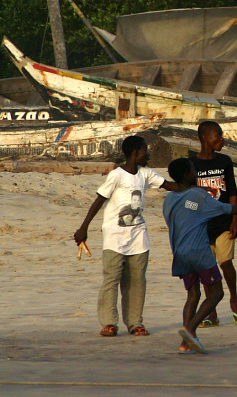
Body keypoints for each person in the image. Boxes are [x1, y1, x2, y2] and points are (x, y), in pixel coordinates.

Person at [74, 135, 176, 337]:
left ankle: (135, 323)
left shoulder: (145, 174)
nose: (148, 155)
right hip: (114, 236)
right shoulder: (117, 175)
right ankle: (109, 323)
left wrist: (197, 188)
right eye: (145, 151)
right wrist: (83, 227)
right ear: (136, 152)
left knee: (137, 281)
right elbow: (99, 200)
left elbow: (168, 186)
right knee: (112, 279)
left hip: (138, 237)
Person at [162, 157, 237, 354]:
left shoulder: (170, 199)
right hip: (199, 252)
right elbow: (224, 208)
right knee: (217, 292)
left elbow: (187, 212)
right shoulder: (197, 196)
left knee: (193, 295)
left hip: (179, 252)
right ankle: (190, 329)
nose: (196, 173)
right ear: (186, 175)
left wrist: (201, 195)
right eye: (193, 171)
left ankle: (186, 343)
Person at [190, 121, 237, 328]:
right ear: (205, 138)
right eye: (218, 136)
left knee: (225, 262)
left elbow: (231, 191)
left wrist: (235, 219)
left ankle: (234, 299)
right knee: (207, 268)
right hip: (202, 226)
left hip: (223, 222)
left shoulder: (224, 161)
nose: (221, 139)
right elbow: (188, 196)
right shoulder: (191, 163)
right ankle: (211, 312)